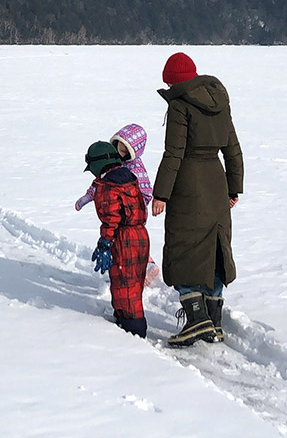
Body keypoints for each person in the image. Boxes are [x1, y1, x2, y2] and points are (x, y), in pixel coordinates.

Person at [151, 52, 243, 347]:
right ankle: (214, 322)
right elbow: (233, 150)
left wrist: (161, 194)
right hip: (216, 184)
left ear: (174, 81)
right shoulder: (219, 102)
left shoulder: (180, 105)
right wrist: (233, 188)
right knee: (216, 248)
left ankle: (195, 320)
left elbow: (174, 153)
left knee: (184, 247)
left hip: (188, 184)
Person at [76, 124, 160, 285]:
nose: (120, 154)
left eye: (124, 152)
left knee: (130, 242)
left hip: (133, 214)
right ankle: (124, 268)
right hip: (118, 211)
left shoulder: (136, 168)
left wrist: (134, 204)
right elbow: (101, 182)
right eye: (118, 149)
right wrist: (88, 196)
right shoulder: (113, 163)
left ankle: (146, 267)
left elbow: (146, 191)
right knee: (121, 241)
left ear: (133, 152)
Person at [83, 139, 150, 338]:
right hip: (141, 235)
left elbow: (111, 219)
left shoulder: (107, 186)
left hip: (123, 239)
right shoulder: (130, 176)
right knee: (135, 281)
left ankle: (133, 329)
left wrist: (105, 243)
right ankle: (126, 318)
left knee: (123, 283)